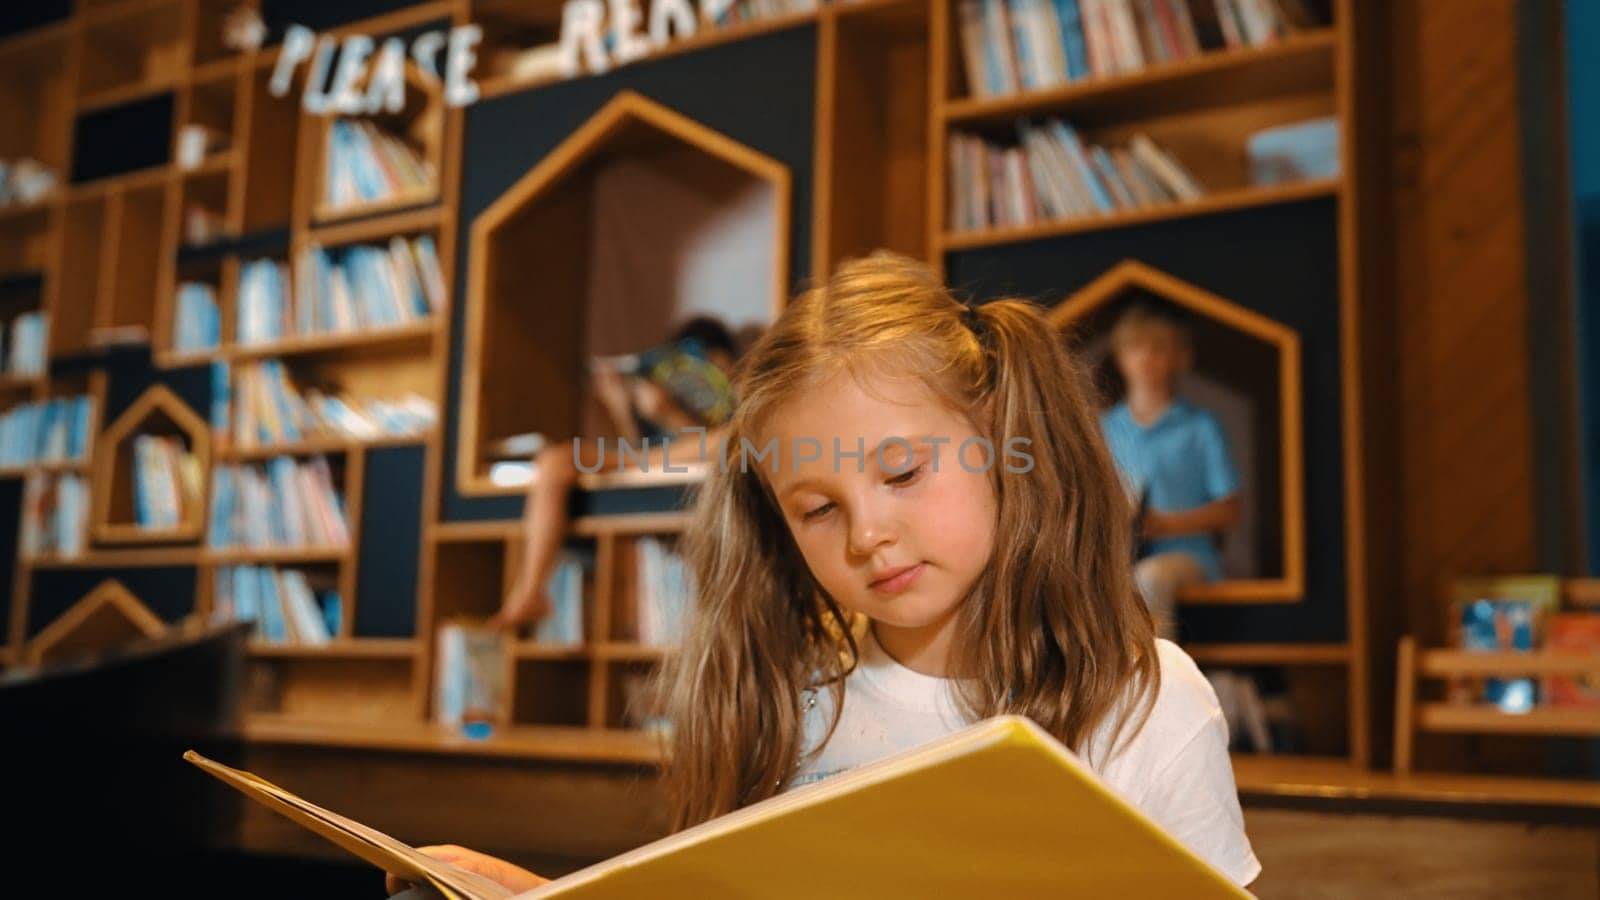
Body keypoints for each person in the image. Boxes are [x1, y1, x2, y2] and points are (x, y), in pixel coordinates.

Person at [389, 253, 1259, 895]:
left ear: (1002, 445)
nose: (869, 533)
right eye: (817, 509)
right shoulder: (791, 703)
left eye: (905, 472)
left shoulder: (1148, 701)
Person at [490, 316, 741, 631]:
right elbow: (644, 458)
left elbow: (714, 443)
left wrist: (669, 415)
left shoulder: (734, 397)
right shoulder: (669, 385)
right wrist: (620, 406)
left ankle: (531, 591)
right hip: (647, 460)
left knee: (725, 439)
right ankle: (530, 589)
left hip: (684, 456)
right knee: (555, 460)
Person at [1098, 301, 1243, 641]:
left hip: (1187, 556)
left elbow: (1231, 509)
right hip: (1119, 555)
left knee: (1149, 579)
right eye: (1136, 347)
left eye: (1158, 348)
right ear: (1120, 356)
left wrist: (1168, 524)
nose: (1146, 358)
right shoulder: (1102, 429)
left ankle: (1158, 686)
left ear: (1180, 358)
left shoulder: (1200, 427)